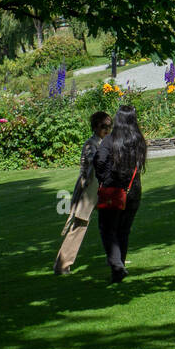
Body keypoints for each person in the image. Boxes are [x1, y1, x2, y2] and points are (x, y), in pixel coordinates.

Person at [93, 104, 147, 284]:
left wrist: (103, 179)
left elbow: (99, 161)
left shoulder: (110, 140)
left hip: (113, 191)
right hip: (133, 192)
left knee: (107, 229)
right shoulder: (137, 139)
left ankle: (117, 266)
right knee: (123, 231)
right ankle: (118, 269)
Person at [54, 111, 112, 275]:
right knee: (79, 225)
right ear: (95, 127)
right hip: (89, 190)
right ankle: (62, 265)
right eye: (103, 127)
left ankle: (114, 258)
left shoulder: (105, 142)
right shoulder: (90, 144)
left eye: (109, 126)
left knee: (111, 223)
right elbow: (93, 166)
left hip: (104, 188)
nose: (107, 130)